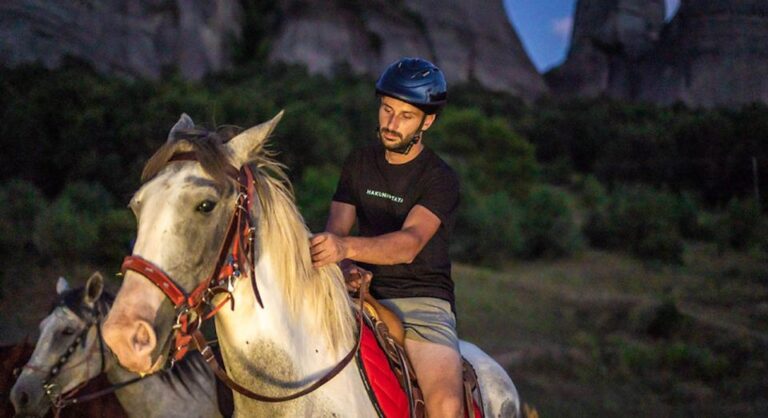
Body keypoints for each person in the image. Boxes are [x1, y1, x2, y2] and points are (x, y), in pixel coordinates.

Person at [310, 57, 464, 418]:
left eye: (406, 116)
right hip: (358, 291)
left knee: (446, 405)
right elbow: (337, 230)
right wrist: (345, 266)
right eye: (386, 110)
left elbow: (409, 244)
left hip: (421, 301)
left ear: (428, 121)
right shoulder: (359, 162)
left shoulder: (439, 178)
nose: (391, 124)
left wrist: (344, 248)